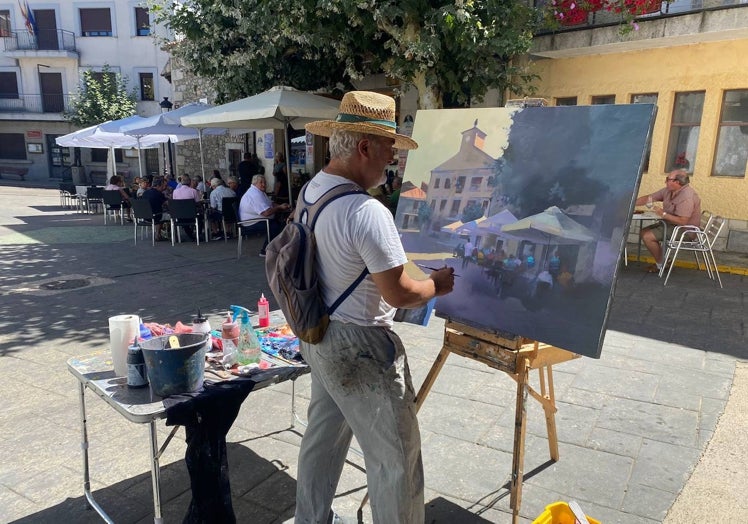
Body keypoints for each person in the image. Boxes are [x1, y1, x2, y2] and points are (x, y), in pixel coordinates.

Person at [294, 90, 455, 524]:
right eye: (389, 149)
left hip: (321, 333)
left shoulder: (312, 192)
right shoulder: (366, 211)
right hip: (362, 346)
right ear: (364, 147)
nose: (393, 160)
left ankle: (310, 519)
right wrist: (436, 285)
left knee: (322, 442)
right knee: (396, 462)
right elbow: (399, 294)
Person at [635, 169, 701, 273]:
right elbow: (650, 198)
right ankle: (664, 261)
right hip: (671, 225)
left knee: (648, 236)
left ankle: (661, 264)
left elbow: (682, 221)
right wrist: (631, 203)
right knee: (643, 232)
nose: (665, 182)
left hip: (684, 230)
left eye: (667, 179)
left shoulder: (686, 197)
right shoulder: (668, 190)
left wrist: (663, 214)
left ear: (677, 182)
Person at [238, 174, 289, 256]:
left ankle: (274, 248)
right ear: (254, 183)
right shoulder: (255, 194)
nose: (264, 184)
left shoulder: (259, 192)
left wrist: (281, 206)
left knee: (280, 222)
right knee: (275, 226)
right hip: (250, 223)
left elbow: (270, 204)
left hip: (258, 219)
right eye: (261, 182)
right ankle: (265, 251)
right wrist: (279, 207)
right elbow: (266, 213)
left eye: (265, 182)